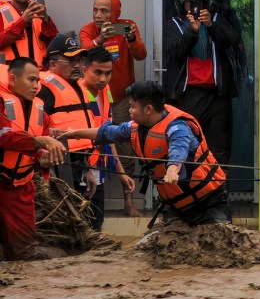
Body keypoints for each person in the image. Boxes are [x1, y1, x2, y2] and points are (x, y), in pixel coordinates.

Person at [60, 80, 226, 226]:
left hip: (208, 202)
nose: (130, 110)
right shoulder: (134, 127)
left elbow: (179, 149)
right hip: (176, 206)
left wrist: (172, 170)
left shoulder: (178, 127)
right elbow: (107, 133)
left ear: (148, 109)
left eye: (133, 106)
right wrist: (74, 133)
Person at [81, 0, 146, 216]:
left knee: (126, 148)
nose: (98, 15)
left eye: (104, 11)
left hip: (122, 100)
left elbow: (141, 55)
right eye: (95, 9)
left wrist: (131, 39)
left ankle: (128, 201)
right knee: (92, 146)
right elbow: (84, 55)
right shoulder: (88, 30)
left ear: (115, 12)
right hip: (94, 98)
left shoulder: (126, 27)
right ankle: (90, 204)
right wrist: (99, 39)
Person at [163, 0, 240, 166]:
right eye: (190, 3)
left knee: (219, 148)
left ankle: (220, 191)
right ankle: (190, 191)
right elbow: (177, 51)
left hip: (217, 95)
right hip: (188, 95)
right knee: (188, 144)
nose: (194, 7)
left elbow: (232, 39)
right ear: (181, 5)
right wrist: (192, 31)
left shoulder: (215, 20)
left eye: (198, 2)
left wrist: (211, 26)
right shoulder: (174, 24)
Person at [37, 33, 109, 229]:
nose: (77, 65)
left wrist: (87, 170)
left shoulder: (81, 88)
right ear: (52, 64)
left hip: (79, 165)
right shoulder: (44, 90)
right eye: (70, 60)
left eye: (79, 59)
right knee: (64, 223)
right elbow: (36, 131)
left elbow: (84, 134)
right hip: (58, 168)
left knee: (86, 220)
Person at [0, 110, 67, 260]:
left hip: (20, 187)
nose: (35, 85)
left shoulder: (40, 114)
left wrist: (43, 157)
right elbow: (4, 137)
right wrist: (39, 140)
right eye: (31, 83)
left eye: (37, 83)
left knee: (24, 252)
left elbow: (39, 150)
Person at [0, 0, 58, 68]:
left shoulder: (40, 12)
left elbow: (56, 46)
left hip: (38, 74)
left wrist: (46, 20)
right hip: (11, 74)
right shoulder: (2, 13)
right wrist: (22, 22)